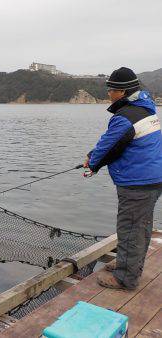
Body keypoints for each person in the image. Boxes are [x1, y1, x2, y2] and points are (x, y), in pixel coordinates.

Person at [84, 67, 162, 290]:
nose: (109, 93)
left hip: (138, 183)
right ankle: (129, 263)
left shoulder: (125, 116)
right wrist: (95, 157)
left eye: (111, 89)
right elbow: (120, 144)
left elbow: (109, 146)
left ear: (123, 92)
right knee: (141, 226)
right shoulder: (146, 110)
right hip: (153, 179)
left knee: (129, 228)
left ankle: (125, 278)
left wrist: (93, 162)